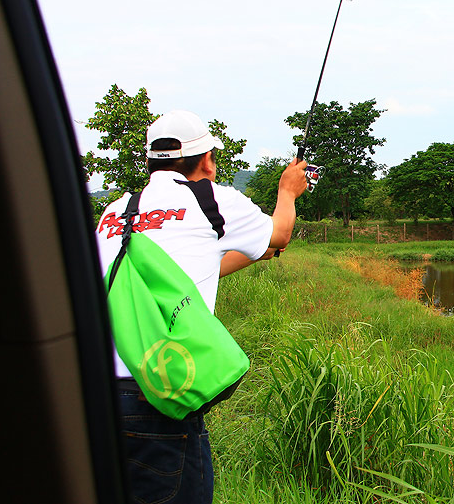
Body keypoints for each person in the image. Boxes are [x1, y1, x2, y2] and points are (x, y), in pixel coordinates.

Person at [94, 110, 308, 504]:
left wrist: (251, 252)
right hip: (160, 389)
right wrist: (287, 192)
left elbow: (164, 282)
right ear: (206, 159)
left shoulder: (114, 213)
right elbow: (280, 233)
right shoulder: (212, 199)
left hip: (89, 392)